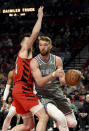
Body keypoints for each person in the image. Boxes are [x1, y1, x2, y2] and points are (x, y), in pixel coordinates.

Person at [10, 7, 49, 131]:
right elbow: (35, 33)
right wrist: (40, 17)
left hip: (18, 90)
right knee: (43, 117)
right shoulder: (24, 51)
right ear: (22, 44)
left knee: (28, 126)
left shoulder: (28, 59)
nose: (30, 42)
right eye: (28, 41)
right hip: (22, 89)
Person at [30, 36, 77, 131]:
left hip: (58, 95)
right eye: (40, 45)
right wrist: (53, 74)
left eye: (45, 45)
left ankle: (64, 113)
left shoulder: (57, 60)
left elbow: (62, 82)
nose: (42, 47)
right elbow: (39, 83)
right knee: (61, 118)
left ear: (50, 46)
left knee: (72, 123)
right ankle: (58, 120)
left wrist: (68, 79)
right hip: (43, 96)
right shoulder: (34, 62)